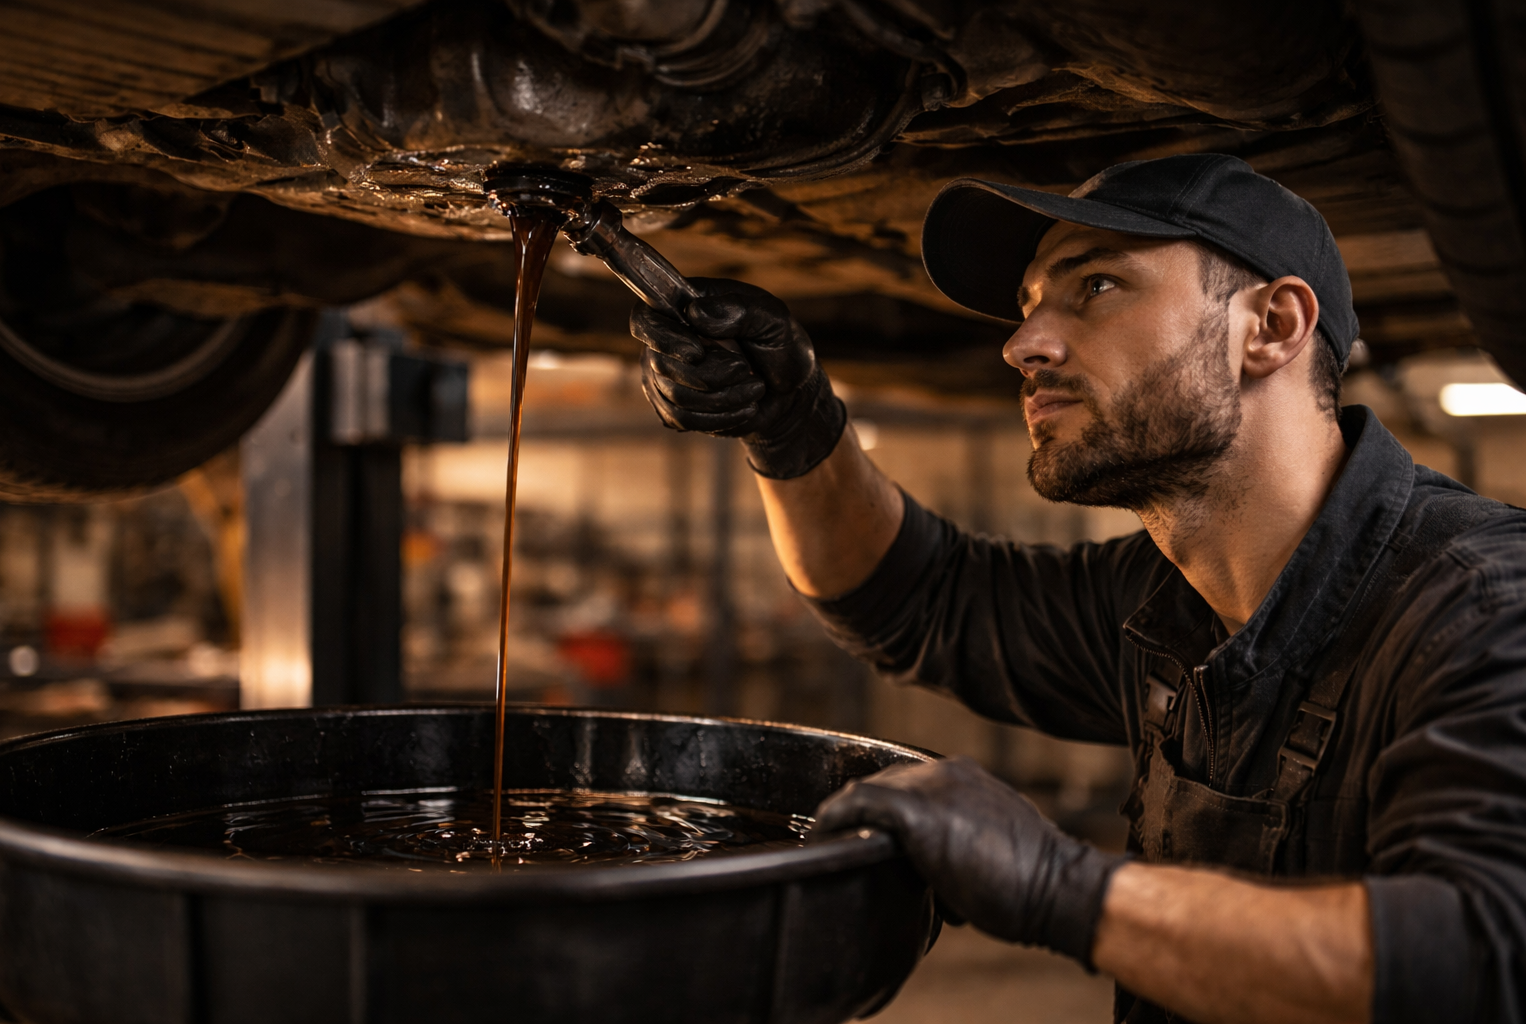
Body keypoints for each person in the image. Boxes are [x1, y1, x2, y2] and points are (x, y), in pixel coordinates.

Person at [630, 153, 1526, 1024]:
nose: (1024, 345)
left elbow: (1479, 959)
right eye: (1028, 307)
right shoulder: (1165, 598)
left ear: (1273, 327)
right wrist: (791, 422)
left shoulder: (1482, 605)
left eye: (1096, 286)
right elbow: (913, 599)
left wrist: (1060, 886)